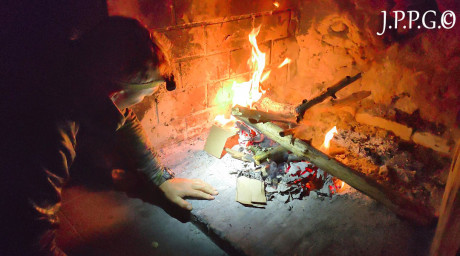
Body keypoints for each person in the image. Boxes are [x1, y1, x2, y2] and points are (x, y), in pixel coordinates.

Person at [0, 16, 218, 256]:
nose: (140, 102)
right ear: (115, 94)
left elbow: (123, 119)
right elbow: (31, 241)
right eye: (145, 96)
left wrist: (160, 177)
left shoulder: (77, 67)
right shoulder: (50, 133)